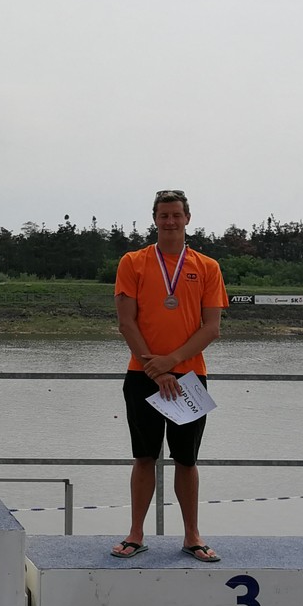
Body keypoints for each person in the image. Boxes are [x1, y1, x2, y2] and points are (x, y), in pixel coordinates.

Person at [111, 189, 228, 561]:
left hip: (189, 378)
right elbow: (126, 322)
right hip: (142, 374)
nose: (170, 221)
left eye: (176, 215)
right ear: (155, 219)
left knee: (187, 460)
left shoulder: (207, 266)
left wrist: (172, 362)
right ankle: (135, 534)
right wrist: (155, 368)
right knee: (144, 457)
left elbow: (212, 328)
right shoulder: (133, 262)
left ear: (187, 218)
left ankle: (192, 536)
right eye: (164, 215)